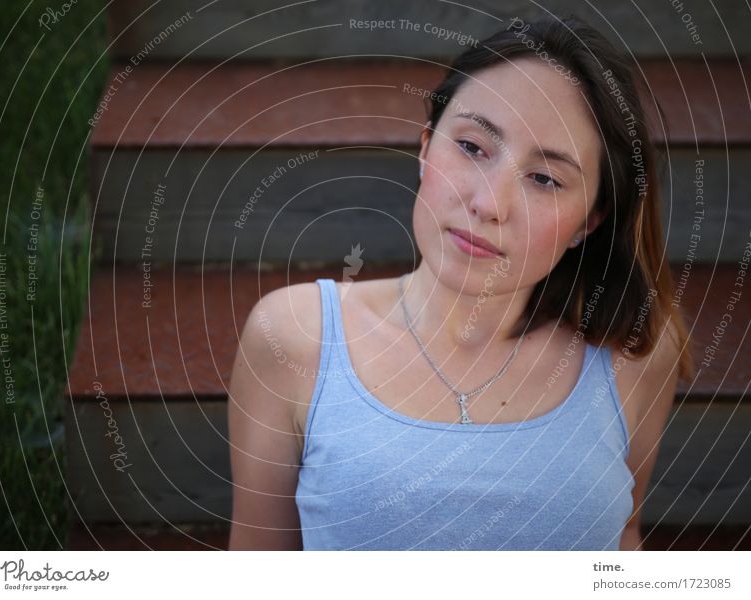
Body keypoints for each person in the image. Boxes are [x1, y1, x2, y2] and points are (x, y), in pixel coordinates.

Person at [227, 15, 693, 551]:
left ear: (589, 221)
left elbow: (623, 538)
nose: (487, 204)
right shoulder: (293, 338)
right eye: (472, 147)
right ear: (426, 148)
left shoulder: (633, 358)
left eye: (544, 178)